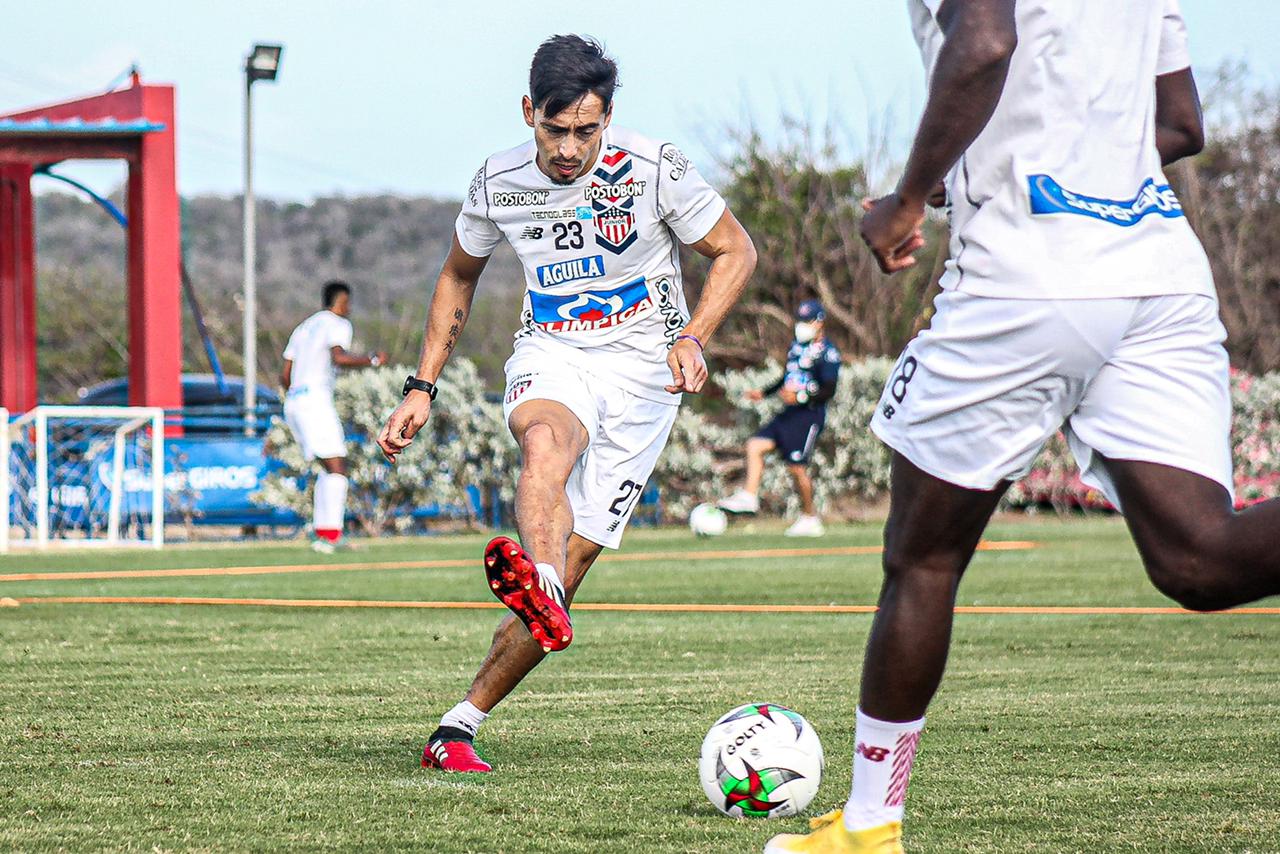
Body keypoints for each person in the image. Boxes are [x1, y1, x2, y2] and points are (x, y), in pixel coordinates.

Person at [767, 1, 1280, 852]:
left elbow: (985, 41)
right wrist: (991, 166)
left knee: (922, 555)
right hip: (1156, 268)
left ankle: (867, 830)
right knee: (1201, 557)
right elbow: (1181, 122)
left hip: (1031, 272)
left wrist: (904, 203)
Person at [376, 35, 756, 773]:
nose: (569, 149)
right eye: (555, 130)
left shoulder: (654, 170)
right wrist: (421, 385)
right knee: (546, 443)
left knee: (572, 568)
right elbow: (459, 274)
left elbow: (735, 249)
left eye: (586, 130)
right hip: (555, 352)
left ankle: (457, 726)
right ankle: (540, 581)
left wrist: (695, 336)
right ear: (529, 113)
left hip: (647, 376)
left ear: (607, 118)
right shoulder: (498, 182)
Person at [718, 299, 841, 537]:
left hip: (808, 415)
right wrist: (763, 393)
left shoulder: (828, 353)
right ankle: (749, 497)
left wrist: (802, 397)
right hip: (789, 413)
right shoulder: (796, 347)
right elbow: (786, 378)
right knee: (755, 445)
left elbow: (829, 388)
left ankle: (810, 517)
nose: (801, 326)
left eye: (806, 321)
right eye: (800, 321)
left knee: (796, 468)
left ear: (819, 323)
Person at [281, 281, 386, 554]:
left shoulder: (304, 327)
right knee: (337, 465)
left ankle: (323, 532)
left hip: (294, 400)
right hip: (315, 399)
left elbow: (285, 374)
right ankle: (331, 535)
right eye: (348, 302)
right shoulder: (337, 323)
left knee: (329, 467)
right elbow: (338, 357)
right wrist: (371, 360)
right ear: (341, 300)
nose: (349, 307)